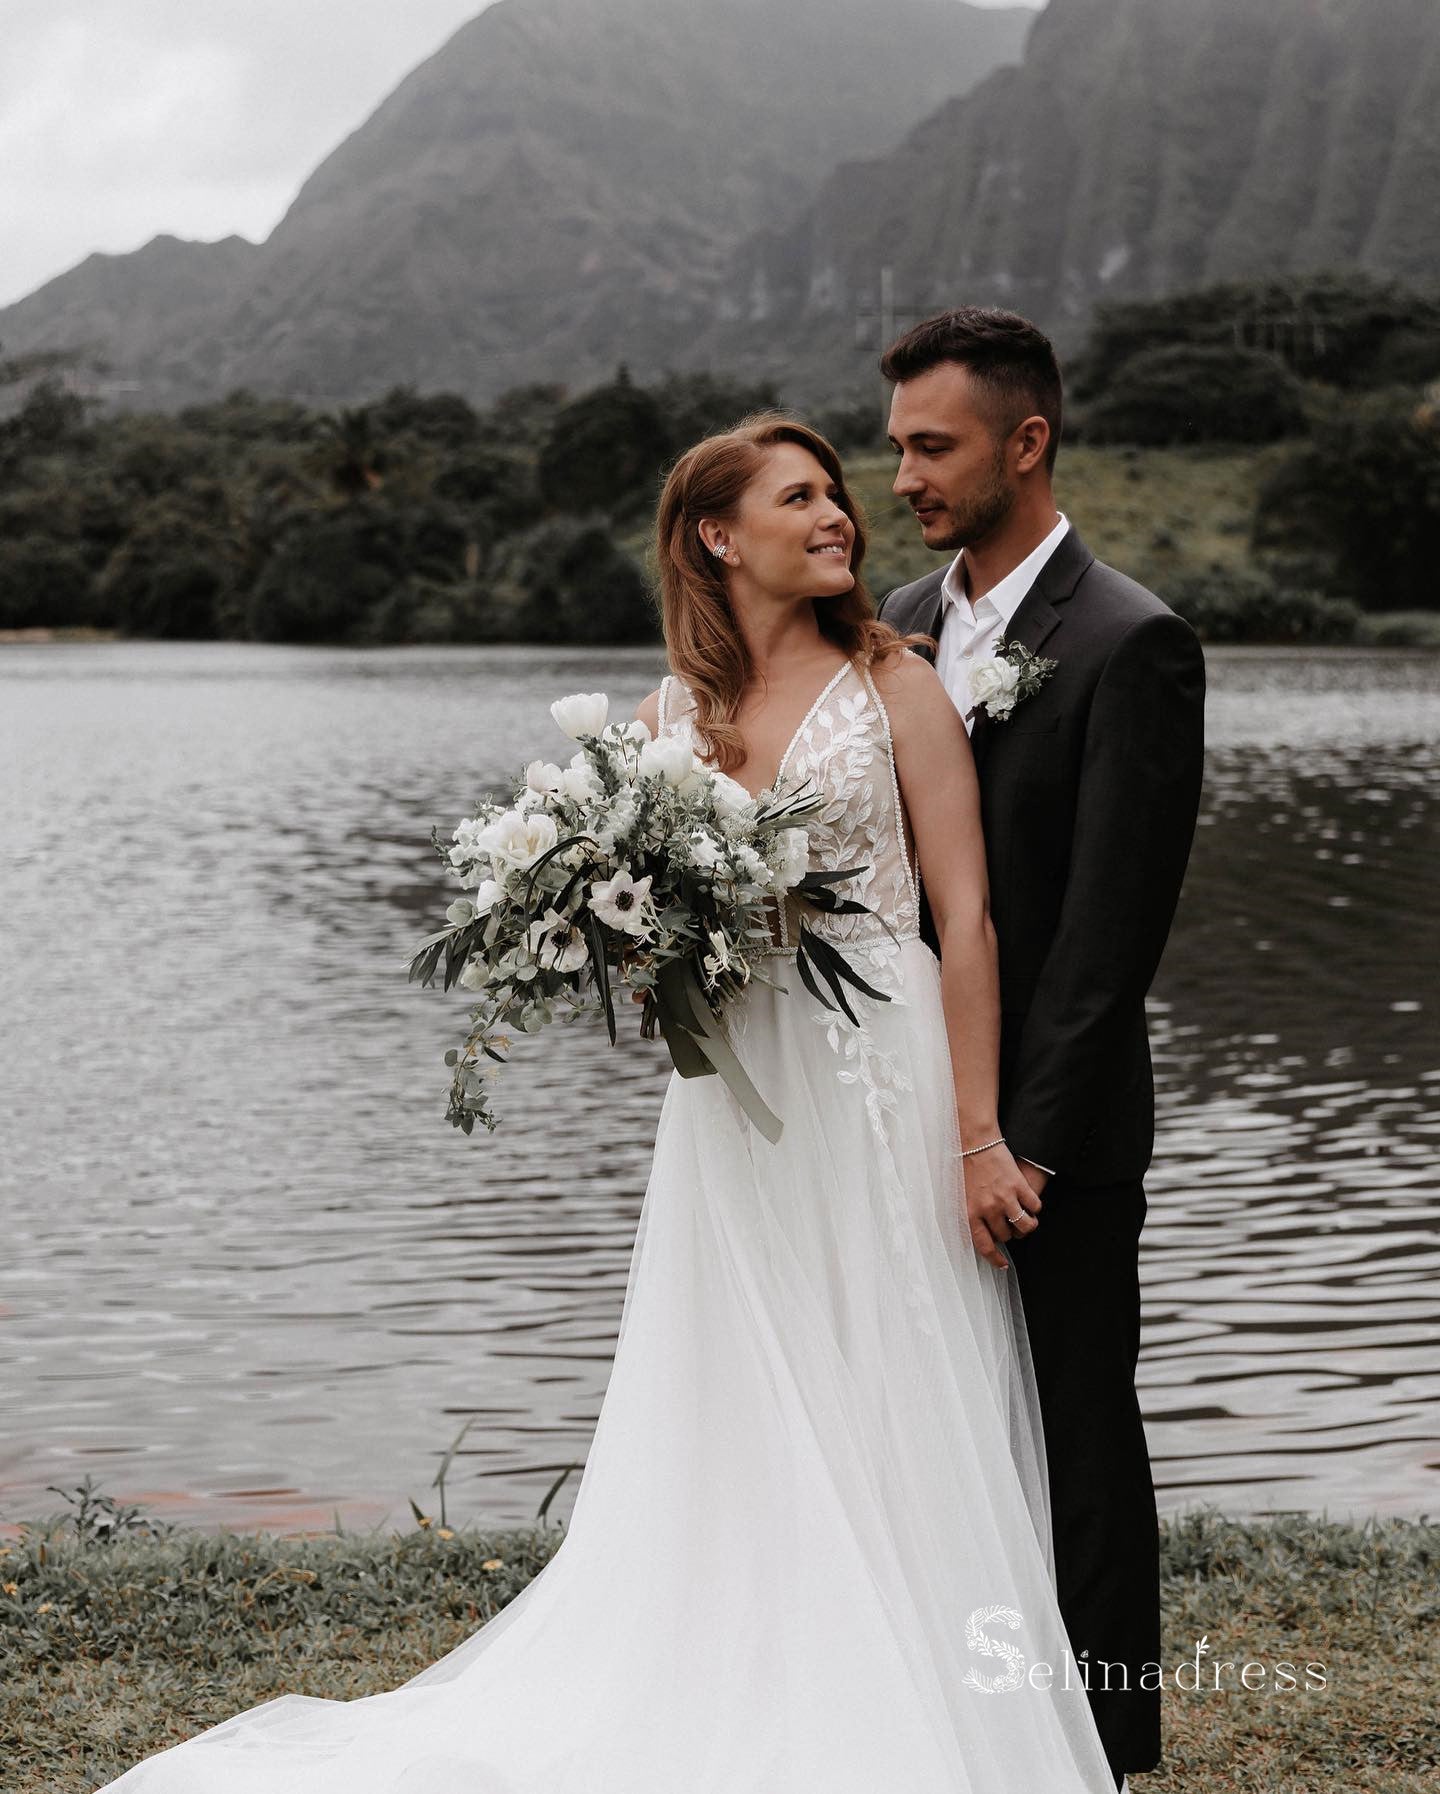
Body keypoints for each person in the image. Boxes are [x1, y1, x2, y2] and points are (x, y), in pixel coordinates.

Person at [95, 415, 1116, 1793]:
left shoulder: (896, 686)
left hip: (882, 1072)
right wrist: (624, 935)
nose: (839, 515)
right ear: (716, 535)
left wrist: (980, 1134)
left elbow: (969, 919)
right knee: (747, 1382)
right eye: (800, 497)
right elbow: (640, 949)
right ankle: (750, 1673)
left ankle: (922, 1697)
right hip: (737, 1097)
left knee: (899, 1369)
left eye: (836, 493)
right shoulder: (665, 723)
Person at [878, 307, 1207, 1789]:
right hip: (907, 1103)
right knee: (938, 1424)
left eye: (932, 447)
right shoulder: (893, 617)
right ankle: (958, 1720)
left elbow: (1107, 942)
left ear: (1027, 441)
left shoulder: (1134, 643)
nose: (902, 478)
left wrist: (1021, 1144)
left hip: (1054, 1131)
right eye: (895, 447)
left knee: (1079, 1430)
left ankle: (1112, 1748)